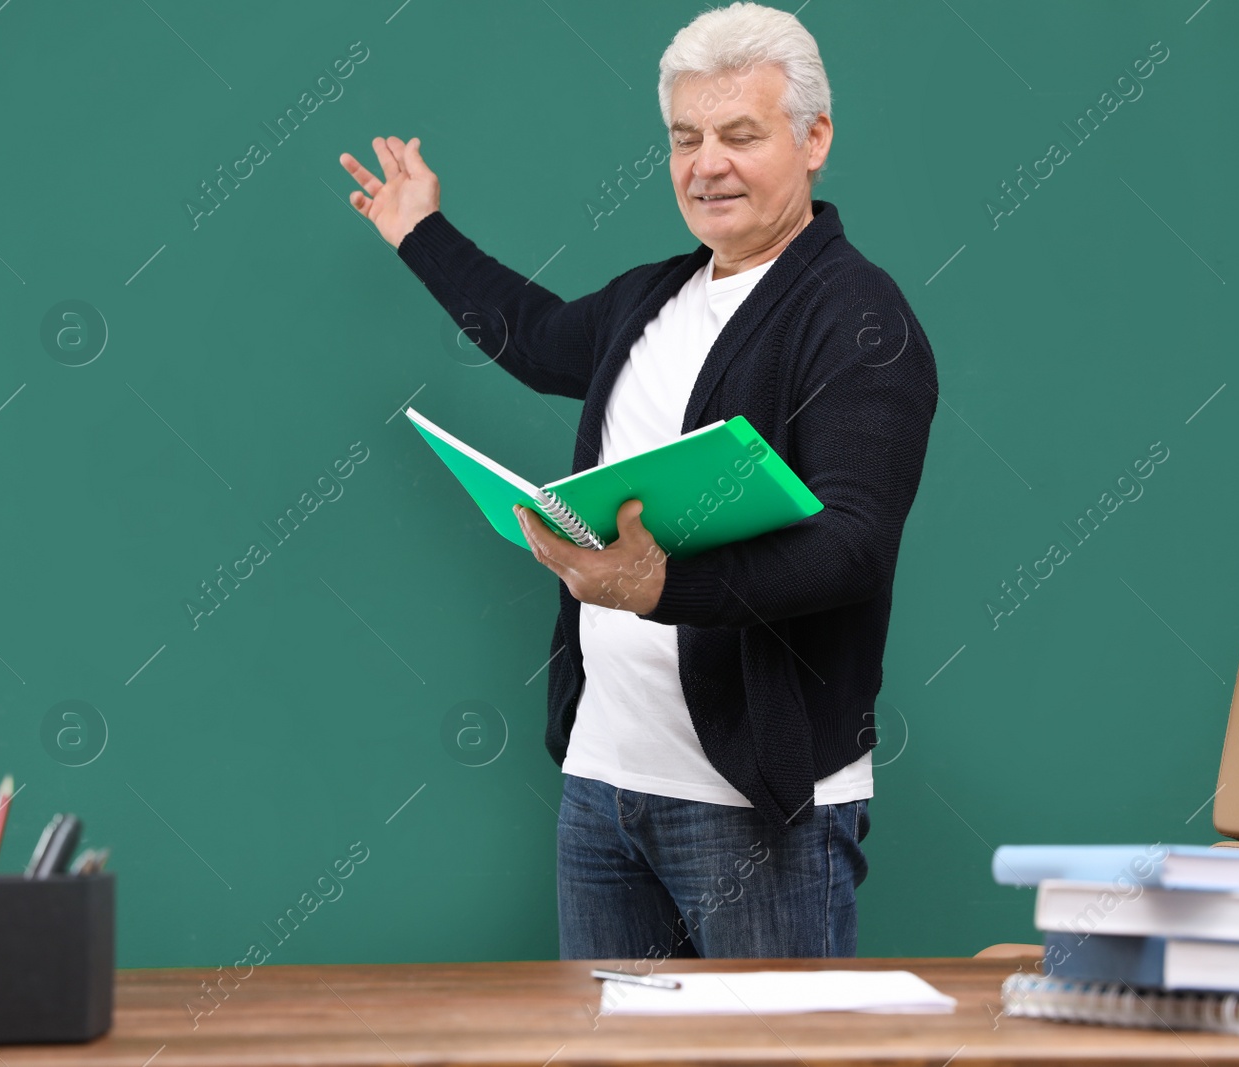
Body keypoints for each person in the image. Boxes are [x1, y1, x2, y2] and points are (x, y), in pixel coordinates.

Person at [339, 1, 937, 960]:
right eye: (687, 137)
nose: (708, 163)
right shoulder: (654, 296)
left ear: (814, 138)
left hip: (757, 805)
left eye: (741, 134)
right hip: (604, 783)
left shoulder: (859, 317)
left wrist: (664, 587)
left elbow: (853, 547)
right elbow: (535, 340)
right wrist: (420, 230)